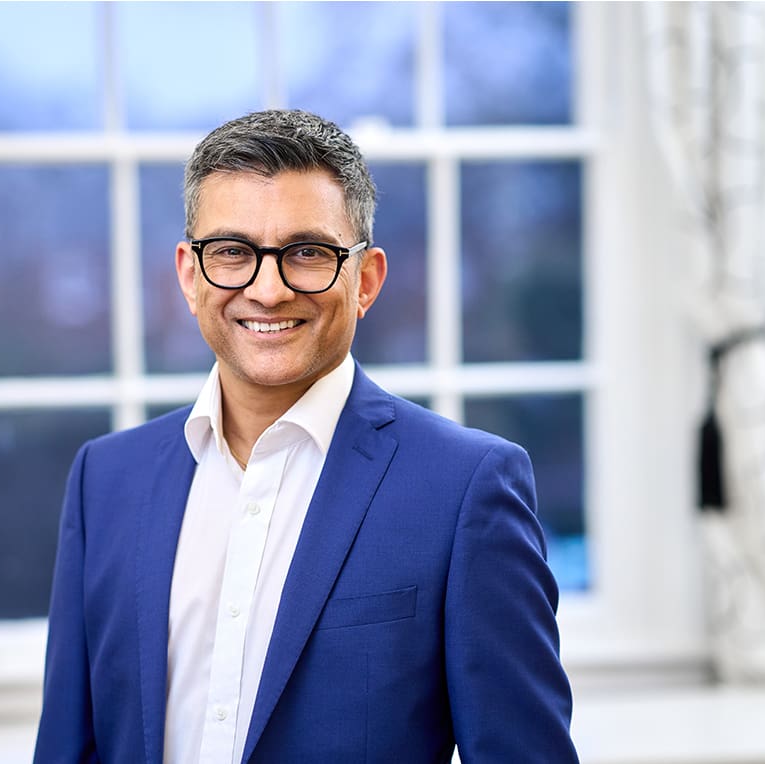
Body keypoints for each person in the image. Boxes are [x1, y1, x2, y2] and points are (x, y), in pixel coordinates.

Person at [35, 110, 577, 763]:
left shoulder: (466, 490)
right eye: (232, 251)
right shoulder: (105, 480)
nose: (268, 289)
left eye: (308, 252)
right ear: (189, 273)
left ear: (367, 279)